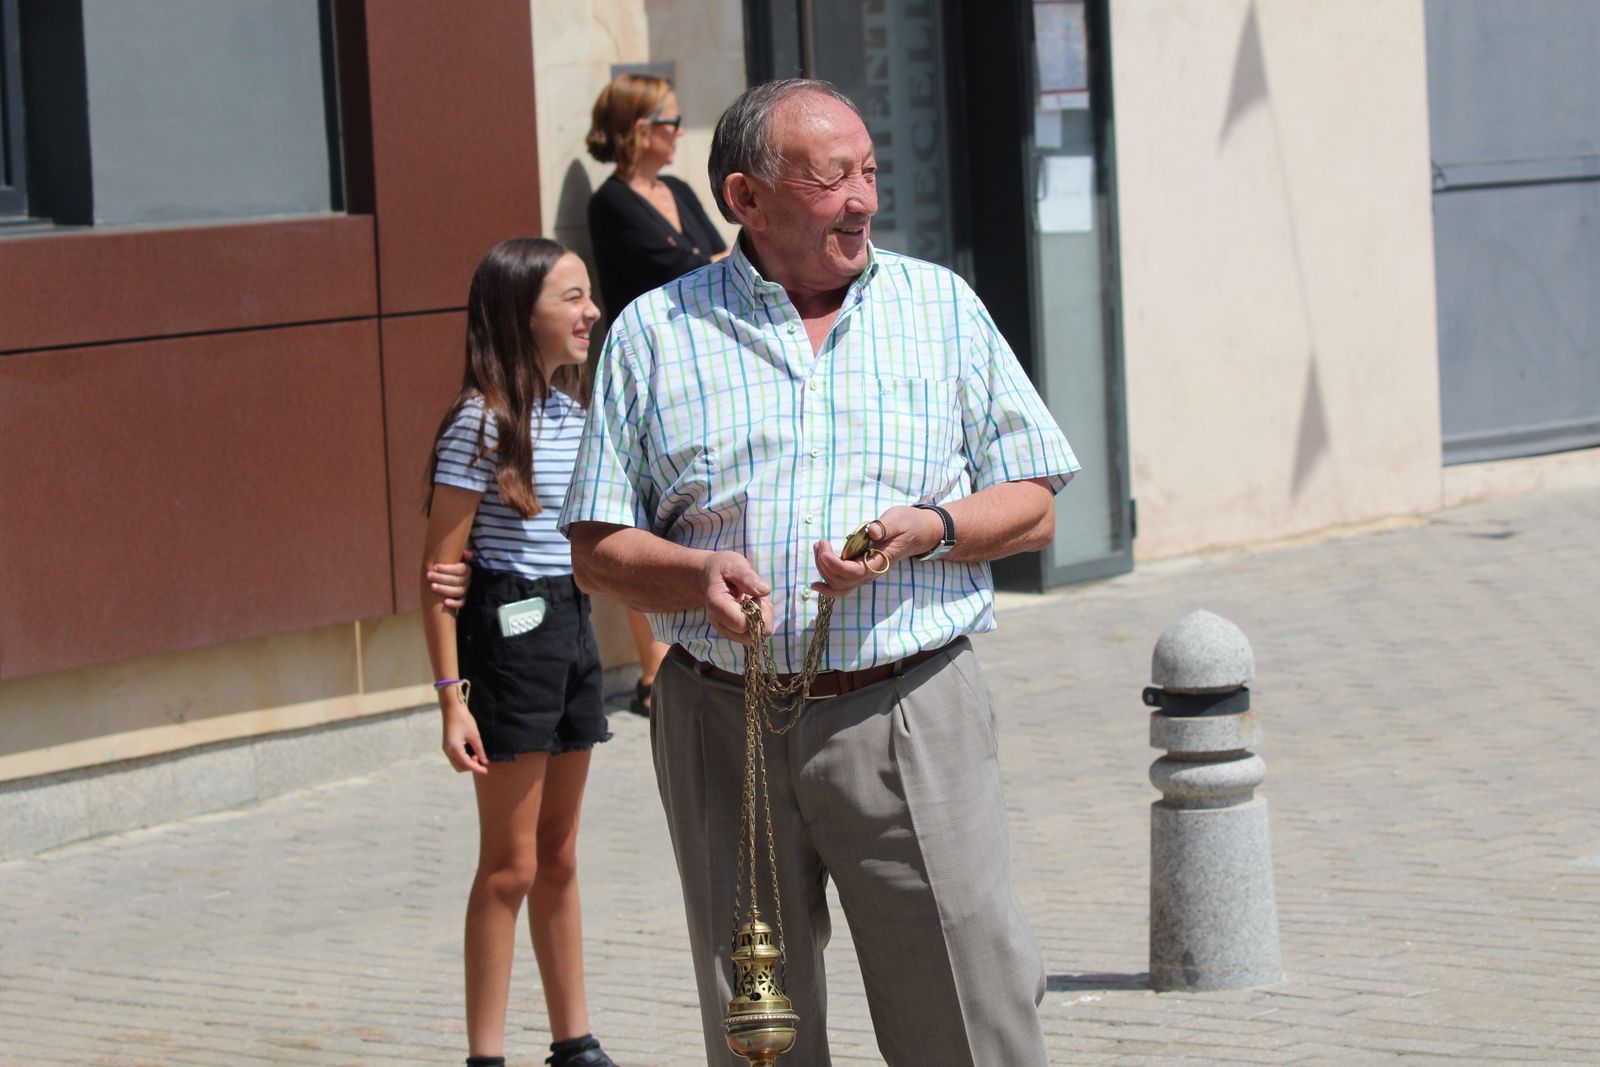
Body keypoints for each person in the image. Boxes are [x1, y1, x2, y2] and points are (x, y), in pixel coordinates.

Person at [560, 79, 1079, 1067]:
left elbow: (1035, 500)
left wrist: (930, 526)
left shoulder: (940, 308)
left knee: (968, 1015)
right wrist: (690, 570)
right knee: (759, 1030)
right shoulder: (653, 335)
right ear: (747, 197)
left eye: (870, 172)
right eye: (832, 176)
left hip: (907, 710)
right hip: (721, 721)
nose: (863, 199)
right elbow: (597, 547)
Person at [421, 237, 620, 1067]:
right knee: (509, 863)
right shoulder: (481, 419)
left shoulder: (575, 417)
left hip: (571, 630)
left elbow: (599, 545)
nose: (591, 312)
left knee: (561, 853)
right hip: (507, 640)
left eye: (589, 296)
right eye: (571, 297)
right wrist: (450, 696)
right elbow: (440, 572)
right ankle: (486, 1056)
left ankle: (574, 1043)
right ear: (520, 311)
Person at [584, 72, 730, 716]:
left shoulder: (674, 188)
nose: (678, 133)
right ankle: (653, 670)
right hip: (653, 376)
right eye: (670, 122)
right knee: (643, 523)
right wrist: (716, 269)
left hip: (708, 364)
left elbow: (725, 255)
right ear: (640, 130)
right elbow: (683, 270)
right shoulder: (610, 203)